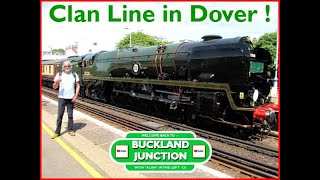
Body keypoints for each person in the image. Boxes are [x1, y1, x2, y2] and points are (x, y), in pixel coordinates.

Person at [51, 61, 80, 139]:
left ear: (70, 67)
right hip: (62, 98)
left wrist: (75, 96)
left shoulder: (74, 75)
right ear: (63, 67)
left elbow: (78, 86)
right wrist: (57, 81)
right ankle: (57, 132)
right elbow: (54, 87)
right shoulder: (59, 74)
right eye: (66, 66)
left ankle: (70, 130)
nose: (67, 67)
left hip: (71, 98)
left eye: (69, 66)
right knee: (60, 115)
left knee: (70, 115)